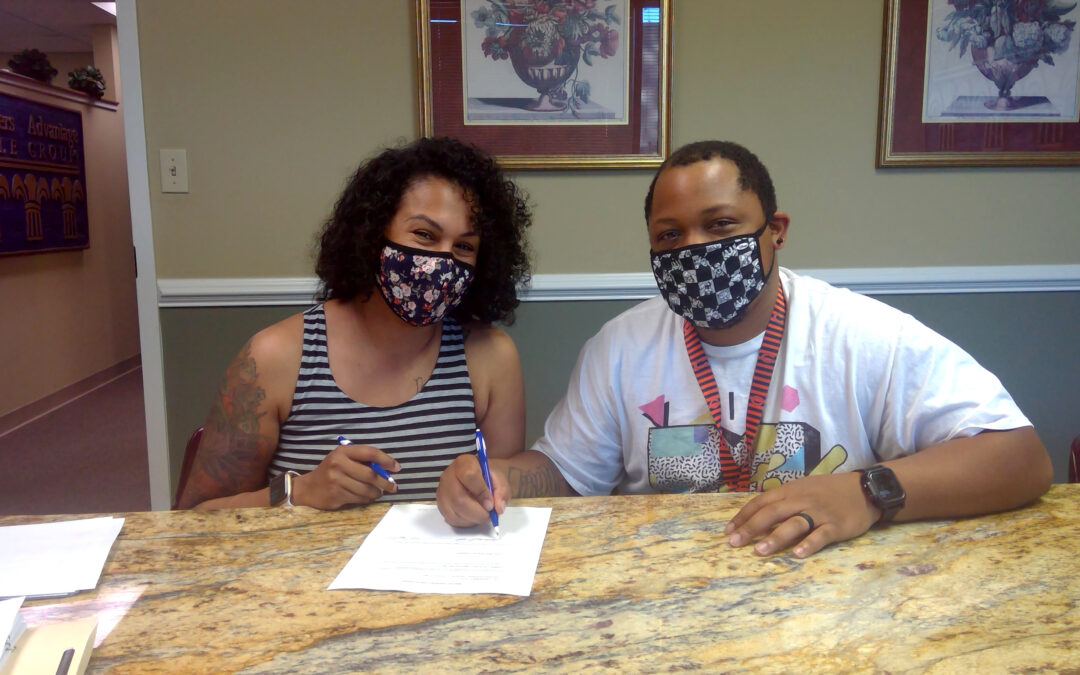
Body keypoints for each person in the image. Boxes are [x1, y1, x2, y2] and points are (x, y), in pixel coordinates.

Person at [437, 139, 1053, 558]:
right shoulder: (619, 347)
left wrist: (867, 493)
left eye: (722, 225)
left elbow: (1021, 457)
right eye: (670, 235)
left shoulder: (861, 334)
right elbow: (564, 474)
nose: (695, 248)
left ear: (776, 232)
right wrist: (498, 479)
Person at [177, 137, 531, 510]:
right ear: (371, 233)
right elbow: (194, 519)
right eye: (424, 235)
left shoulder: (492, 357)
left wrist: (485, 495)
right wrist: (299, 492)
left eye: (464, 247)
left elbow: (504, 502)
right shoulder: (274, 357)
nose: (442, 262)